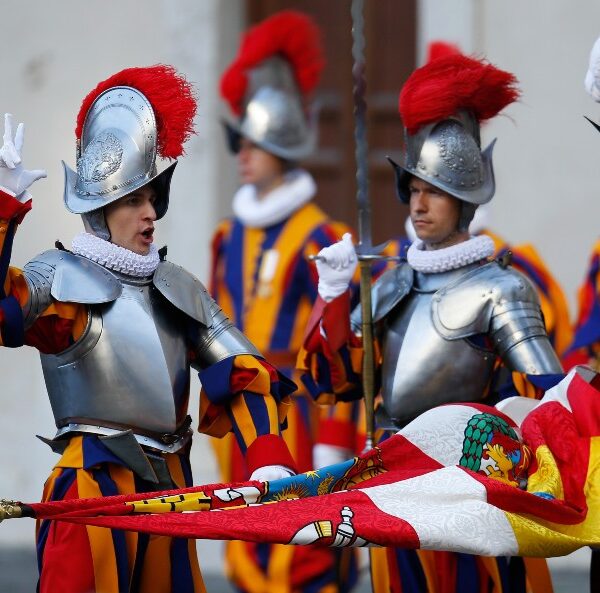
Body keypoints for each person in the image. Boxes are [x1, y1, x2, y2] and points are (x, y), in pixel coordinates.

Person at [0, 65, 298, 593]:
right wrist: (3, 217)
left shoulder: (179, 287)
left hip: (172, 494)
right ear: (102, 206)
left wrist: (268, 456)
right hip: (93, 489)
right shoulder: (58, 276)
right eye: (135, 201)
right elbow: (4, 314)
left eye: (153, 199)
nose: (150, 214)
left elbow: (243, 371)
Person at [298, 53, 564, 593]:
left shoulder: (500, 288)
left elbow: (548, 396)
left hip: (472, 486)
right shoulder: (391, 285)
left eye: (433, 192)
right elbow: (334, 383)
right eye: (414, 190)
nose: (418, 205)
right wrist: (332, 297)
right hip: (393, 480)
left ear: (464, 199)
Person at [211, 11, 358, 593]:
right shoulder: (228, 235)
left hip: (298, 412)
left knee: (305, 547)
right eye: (240, 142)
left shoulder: (322, 237)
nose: (242, 153)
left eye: (253, 143)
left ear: (280, 146)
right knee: (243, 537)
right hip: (245, 410)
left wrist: (335, 443)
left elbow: (342, 353)